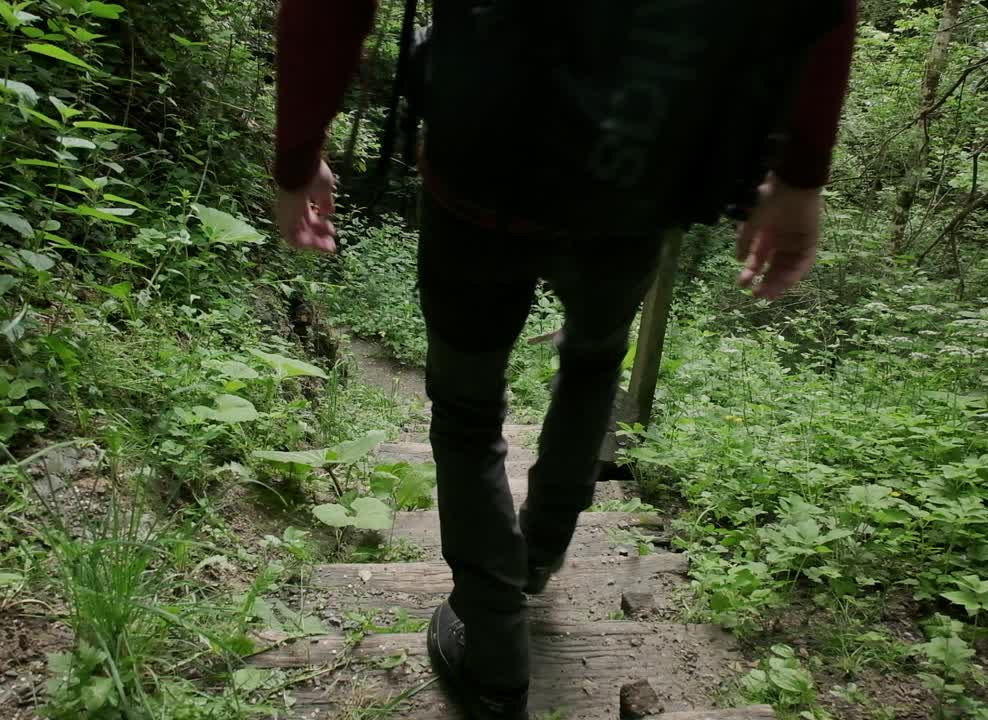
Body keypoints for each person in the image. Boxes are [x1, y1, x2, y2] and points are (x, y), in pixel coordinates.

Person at [274, 2, 859, 718]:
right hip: (642, 173)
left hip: (478, 176)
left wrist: (297, 157)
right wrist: (801, 175)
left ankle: (493, 651)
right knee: (594, 360)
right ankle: (539, 553)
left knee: (466, 407)